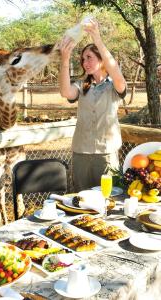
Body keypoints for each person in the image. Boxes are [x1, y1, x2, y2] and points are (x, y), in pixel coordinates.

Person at [59, 19, 126, 192]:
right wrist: (65, 59)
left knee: (109, 198)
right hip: (81, 153)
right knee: (81, 200)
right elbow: (66, 92)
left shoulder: (114, 85)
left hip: (107, 154)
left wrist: (97, 37)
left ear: (102, 60)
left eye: (89, 58)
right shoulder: (82, 86)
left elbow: (114, 68)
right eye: (82, 59)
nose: (84, 62)